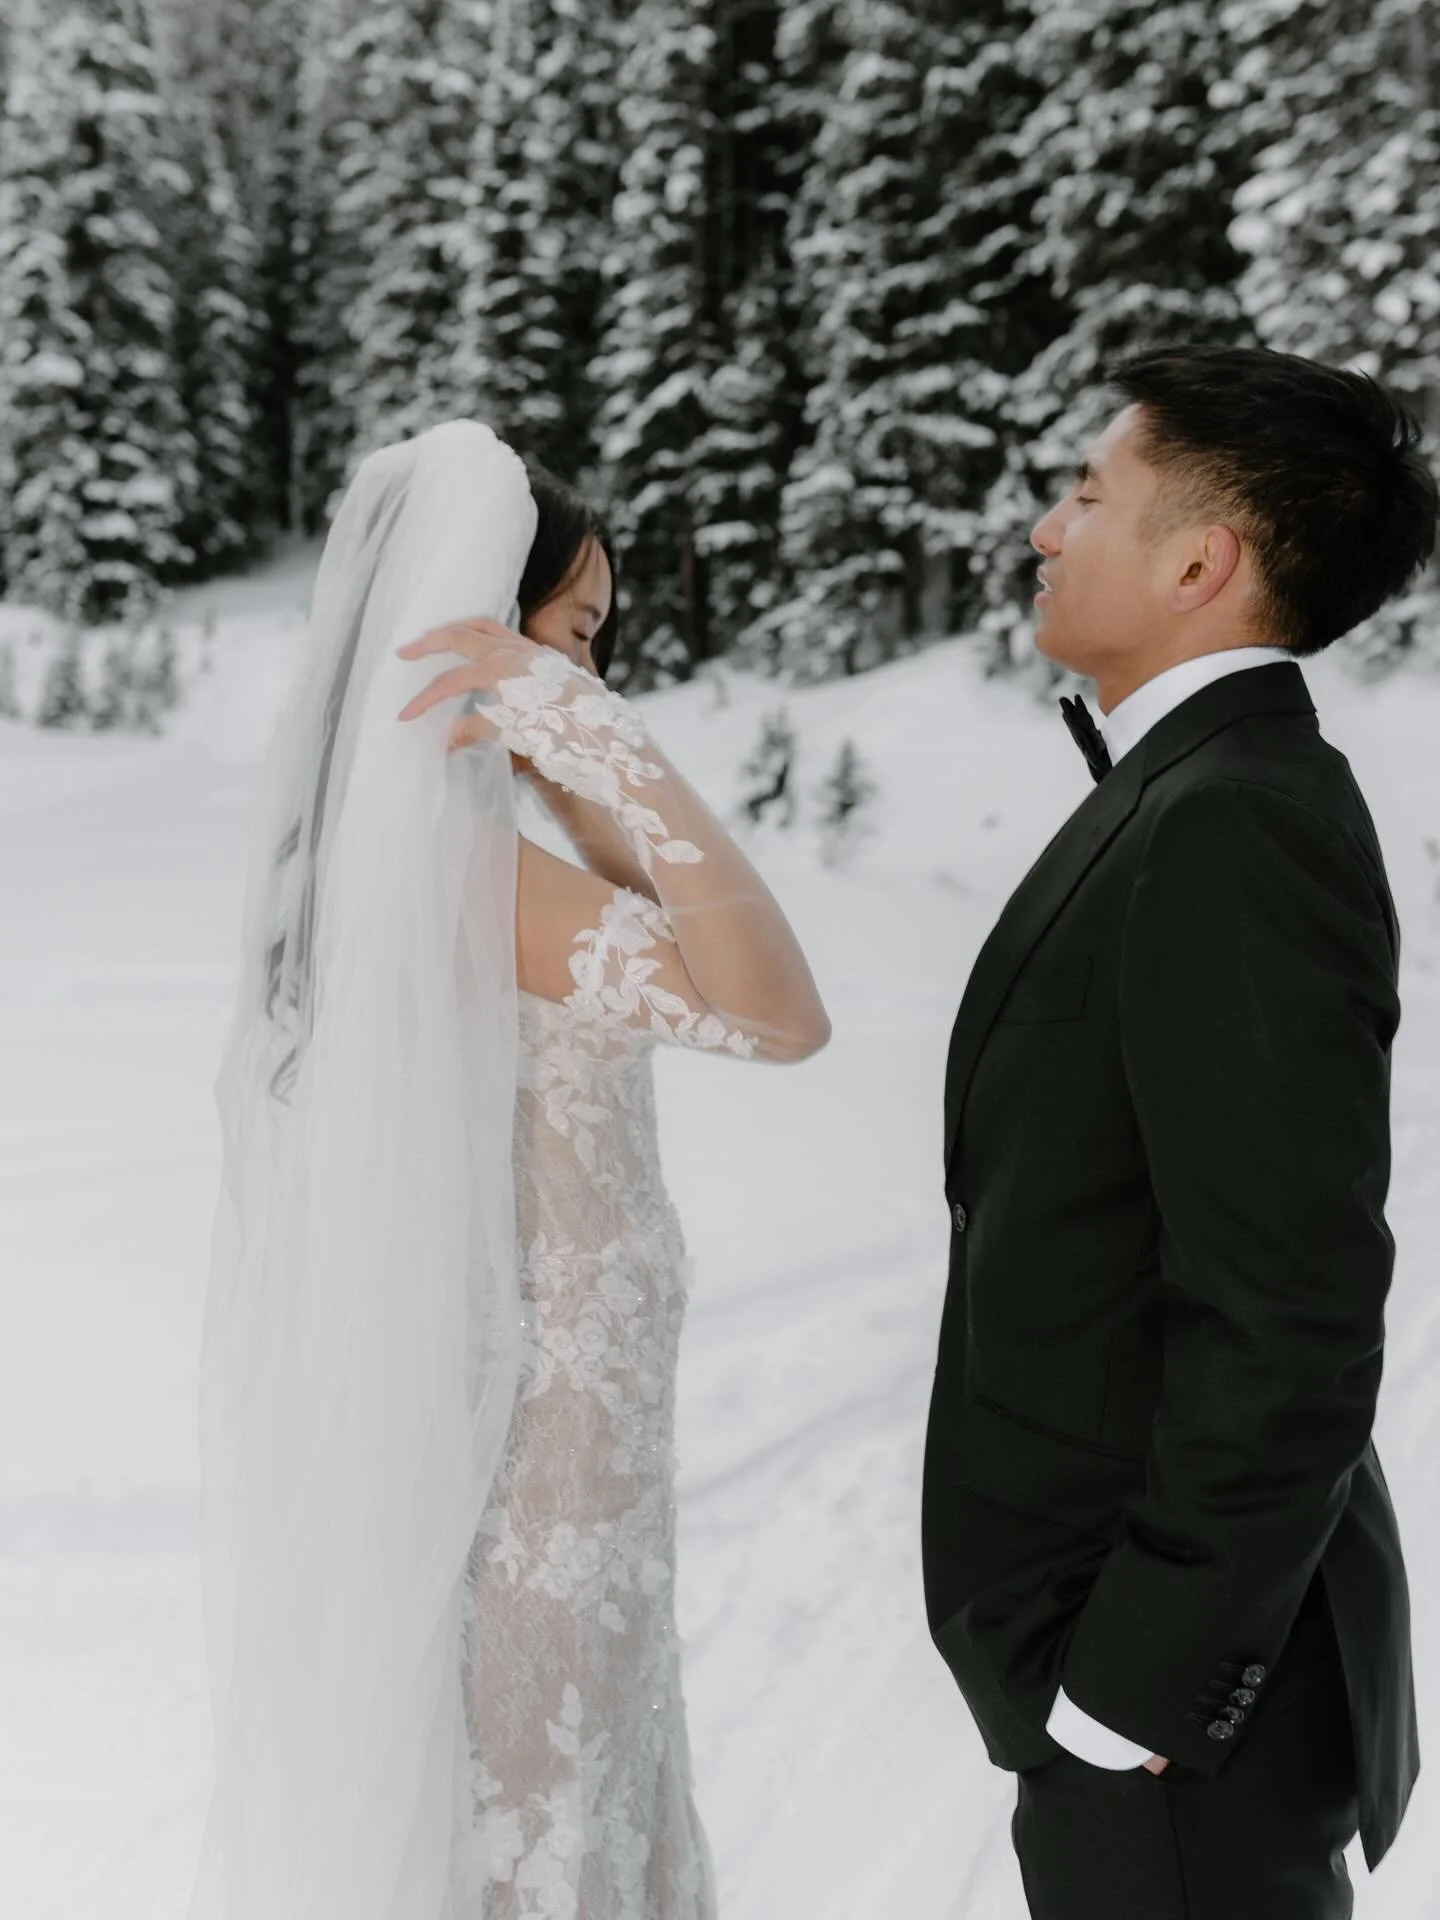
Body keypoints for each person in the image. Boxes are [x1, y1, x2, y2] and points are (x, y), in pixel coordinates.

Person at [190, 420, 829, 1920]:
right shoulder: (475, 881)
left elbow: (636, 895)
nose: (588, 672)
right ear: (475, 622)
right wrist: (610, 740)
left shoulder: (380, 861)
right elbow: (779, 1013)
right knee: (548, 1803)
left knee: (553, 1793)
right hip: (546, 1453)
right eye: (573, 632)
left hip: (532, 1425)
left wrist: (552, 728)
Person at [923, 346, 1439, 1920]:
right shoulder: (1188, 788)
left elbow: (1290, 1312)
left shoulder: (1240, 818)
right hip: (1114, 1701)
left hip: (1177, 1734)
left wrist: (1143, 1688)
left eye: (1086, 493)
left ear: (1204, 561)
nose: (1042, 529)